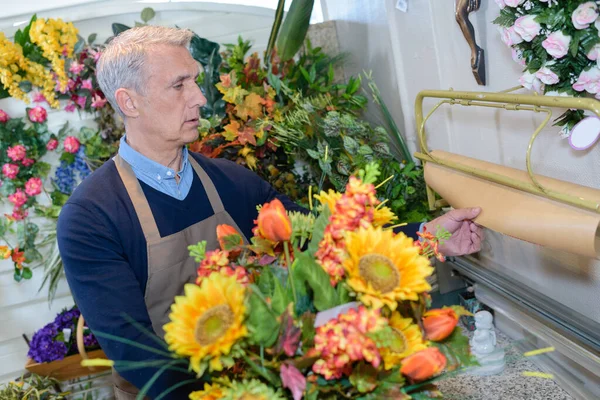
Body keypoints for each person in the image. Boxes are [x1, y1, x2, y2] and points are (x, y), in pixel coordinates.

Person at [57, 26, 483, 399]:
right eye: (179, 85)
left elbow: (325, 243)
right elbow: (134, 351)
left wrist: (432, 234)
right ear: (129, 102)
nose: (201, 98)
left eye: (196, 82)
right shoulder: (92, 217)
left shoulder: (229, 182)